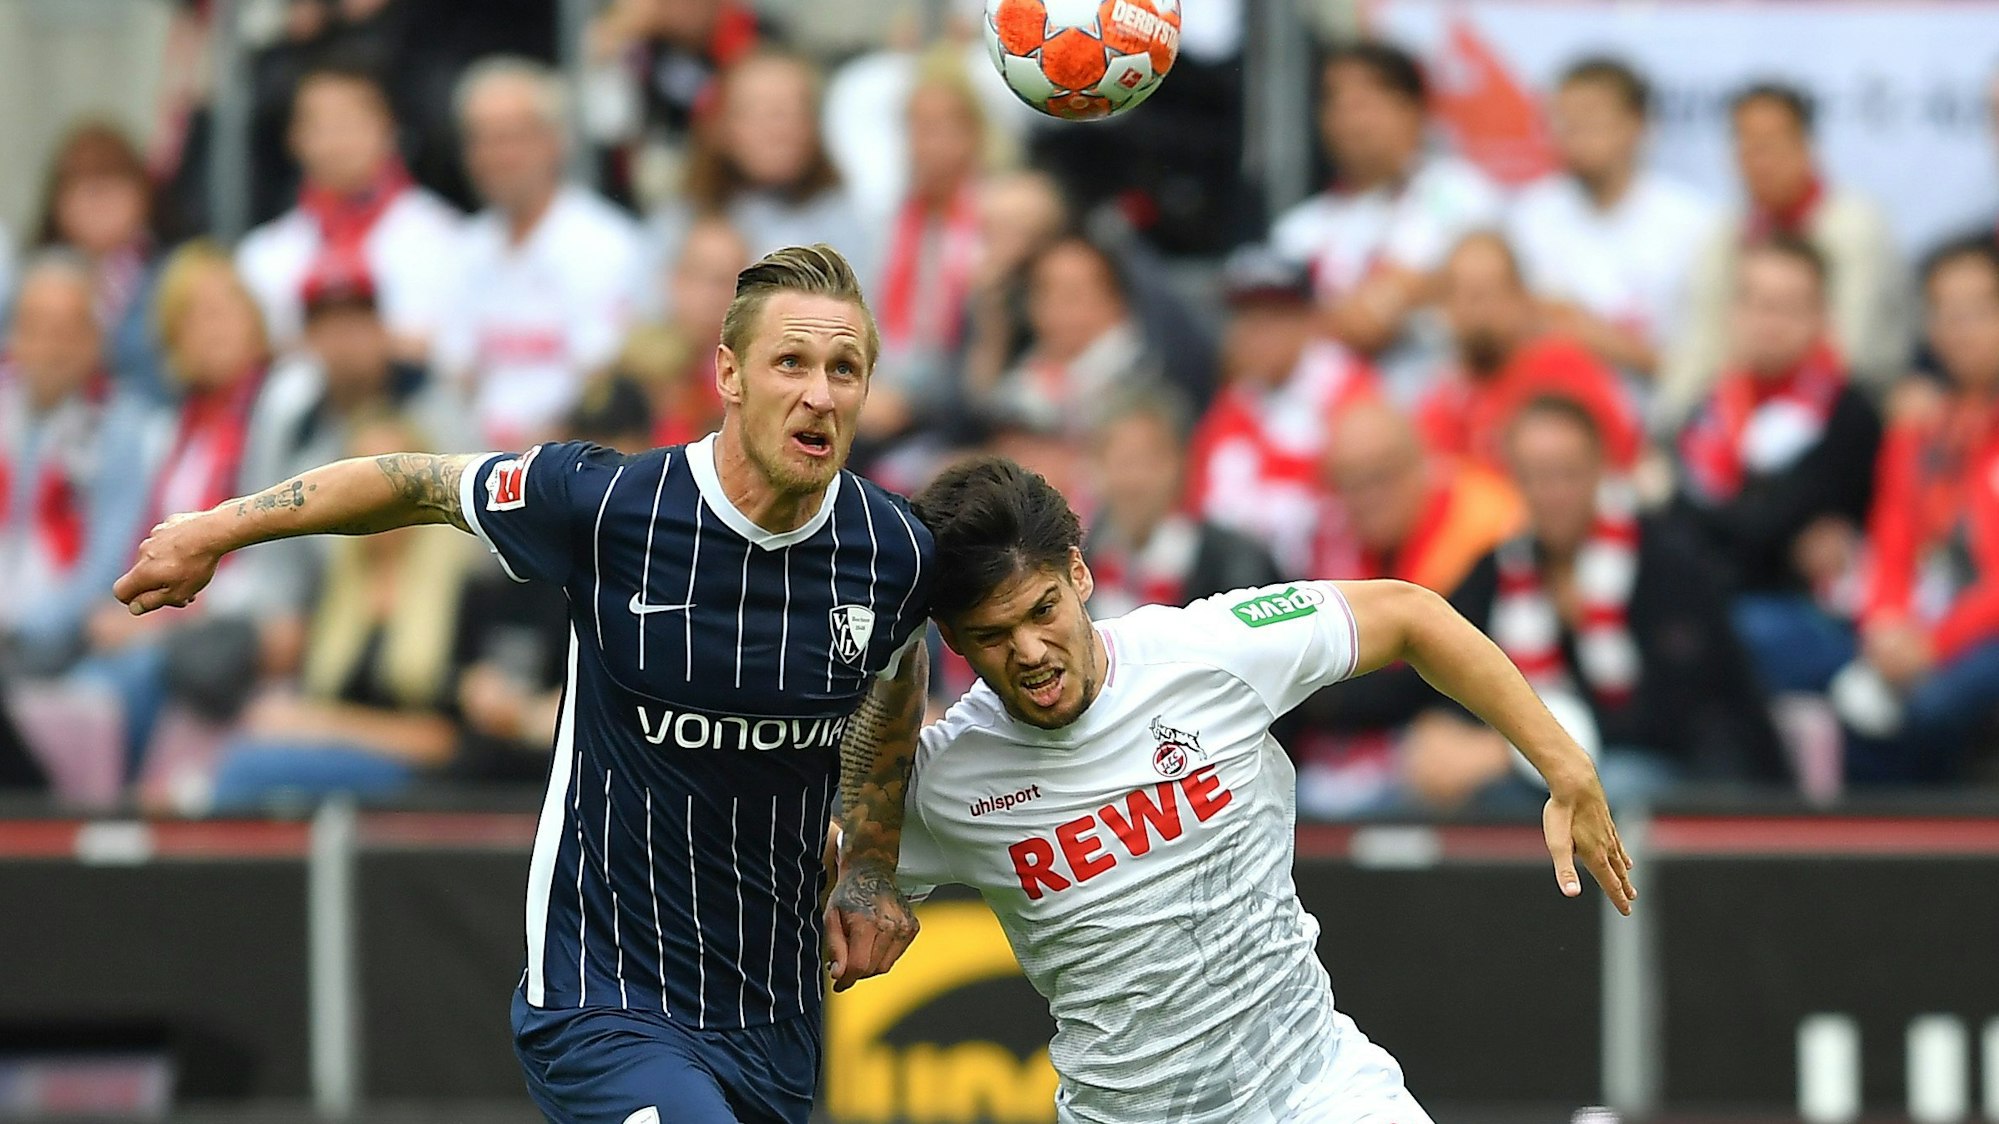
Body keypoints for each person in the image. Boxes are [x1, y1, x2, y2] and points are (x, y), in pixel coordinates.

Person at [116, 244, 933, 1124]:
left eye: (844, 369)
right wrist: (214, 530)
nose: (820, 393)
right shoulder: (608, 504)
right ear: (728, 375)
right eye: (792, 363)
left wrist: (872, 867)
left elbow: (896, 676)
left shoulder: (893, 552)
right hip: (604, 997)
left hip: (773, 1015)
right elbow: (411, 483)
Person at [892, 455, 1634, 1124]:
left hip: (1316, 1091)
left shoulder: (1208, 650)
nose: (1028, 651)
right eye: (992, 635)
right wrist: (858, 884)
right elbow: (815, 870)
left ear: (1079, 575)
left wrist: (1564, 767)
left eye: (1042, 610)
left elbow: (1410, 614)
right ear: (953, 642)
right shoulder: (946, 777)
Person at [1406, 397, 1784, 812]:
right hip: (1555, 768)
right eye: (1533, 476)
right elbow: (1441, 654)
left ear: (1600, 469)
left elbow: (1674, 716)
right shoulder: (1499, 568)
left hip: (1683, 774)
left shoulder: (1667, 557)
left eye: (1565, 474)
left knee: (1592, 792)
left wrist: (1508, 748)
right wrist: (1439, 728)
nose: (1550, 493)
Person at [1675, 237, 1881, 694]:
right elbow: (1680, 522)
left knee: (1724, 631)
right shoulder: (1712, 409)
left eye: (1788, 306)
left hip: (1814, 618)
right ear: (1734, 312)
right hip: (1726, 601)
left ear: (1822, 316)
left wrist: (1720, 521)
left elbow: (1764, 531)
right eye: (1757, 303)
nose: (1770, 322)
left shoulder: (1848, 412)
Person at [1838, 237, 1999, 783]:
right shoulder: (1920, 429)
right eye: (1944, 313)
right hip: (1920, 626)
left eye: (1977, 311)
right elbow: (1892, 537)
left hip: (1975, 632)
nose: (1959, 329)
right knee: (1840, 691)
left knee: (1929, 709)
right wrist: (1885, 623)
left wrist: (1933, 645)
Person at [1270, 41, 1503, 399]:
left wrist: (1327, 317)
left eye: (1364, 103)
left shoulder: (1459, 191)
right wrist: (1410, 292)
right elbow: (1275, 343)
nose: (1349, 120)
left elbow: (1368, 325)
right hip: (1330, 418)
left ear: (1412, 110)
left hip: (1442, 406)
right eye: (1335, 103)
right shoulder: (1299, 229)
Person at [1662, 83, 1907, 421]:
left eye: (1770, 145)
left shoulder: (1855, 225)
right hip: (1738, 409)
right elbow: (1701, 343)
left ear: (1807, 146)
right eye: (1746, 146)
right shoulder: (1726, 233)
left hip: (1843, 412)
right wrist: (1673, 421)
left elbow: (1852, 349)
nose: (1759, 161)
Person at [435, 58, 646, 449]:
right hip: (474, 465)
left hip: (576, 462)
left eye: (511, 137)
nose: (495, 156)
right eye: (481, 139)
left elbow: (603, 377)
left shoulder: (606, 244)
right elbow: (455, 372)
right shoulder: (462, 247)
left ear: (555, 141)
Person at [1507, 58, 1714, 395]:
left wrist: (1603, 340)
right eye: (1562, 122)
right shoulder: (1530, 217)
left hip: (1661, 418)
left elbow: (1710, 361)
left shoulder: (1693, 224)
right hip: (1548, 414)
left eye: (1589, 120)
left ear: (1637, 125)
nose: (1572, 135)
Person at [236, 62, 463, 356]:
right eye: (320, 125)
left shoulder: (446, 238)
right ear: (293, 138)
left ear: (389, 128)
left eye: (350, 121)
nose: (336, 140)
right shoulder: (261, 255)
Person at [0, 254, 153, 677]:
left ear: (95, 340)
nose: (49, 348)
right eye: (35, 329)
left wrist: (22, 629)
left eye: (67, 332)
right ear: (13, 336)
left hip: (58, 642)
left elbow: (109, 565)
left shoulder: (121, 425)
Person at [1186, 245, 1377, 574]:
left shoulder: (1349, 392)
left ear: (1309, 320)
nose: (1255, 335)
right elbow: (1204, 508)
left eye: (1272, 318)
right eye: (1245, 318)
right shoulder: (1233, 402)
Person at [646, 52, 876, 290]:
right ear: (721, 125)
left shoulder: (848, 222)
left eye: (794, 112)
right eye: (761, 113)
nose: (780, 130)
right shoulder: (680, 222)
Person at [1418, 232, 1642, 474]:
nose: (1476, 312)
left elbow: (1623, 456)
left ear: (1522, 297)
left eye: (1486, 294)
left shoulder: (1562, 366)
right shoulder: (1450, 387)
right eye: (1460, 295)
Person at [1082, 387, 1281, 619]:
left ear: (1181, 463)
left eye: (1146, 461)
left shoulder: (1233, 563)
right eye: (1120, 462)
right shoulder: (1079, 564)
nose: (1132, 481)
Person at [32, 120, 172, 402]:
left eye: (111, 179)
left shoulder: (173, 278)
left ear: (143, 193)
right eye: (80, 182)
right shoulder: (33, 283)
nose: (97, 195)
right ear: (56, 202)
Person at [983, 236, 1159, 438]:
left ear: (1116, 302)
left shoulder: (1145, 380)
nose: (1056, 309)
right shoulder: (1019, 381)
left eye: (1073, 295)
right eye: (1044, 293)